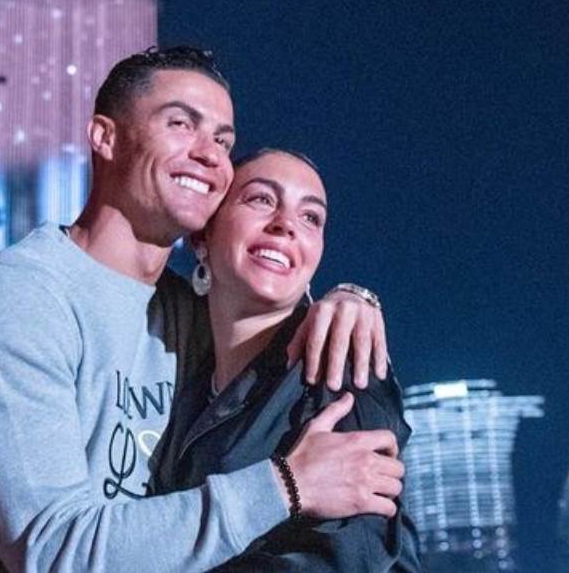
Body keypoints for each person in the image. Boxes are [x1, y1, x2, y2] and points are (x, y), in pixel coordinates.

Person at [0, 47, 402, 572]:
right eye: (181, 124)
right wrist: (287, 486)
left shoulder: (191, 315)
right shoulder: (14, 302)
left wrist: (352, 299)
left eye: (223, 140)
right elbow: (56, 556)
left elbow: (266, 310)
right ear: (105, 137)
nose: (209, 154)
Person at [150, 149, 421, 571]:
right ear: (203, 237)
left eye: (311, 217)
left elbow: (350, 559)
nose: (286, 224)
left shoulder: (337, 369)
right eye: (261, 199)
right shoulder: (183, 375)